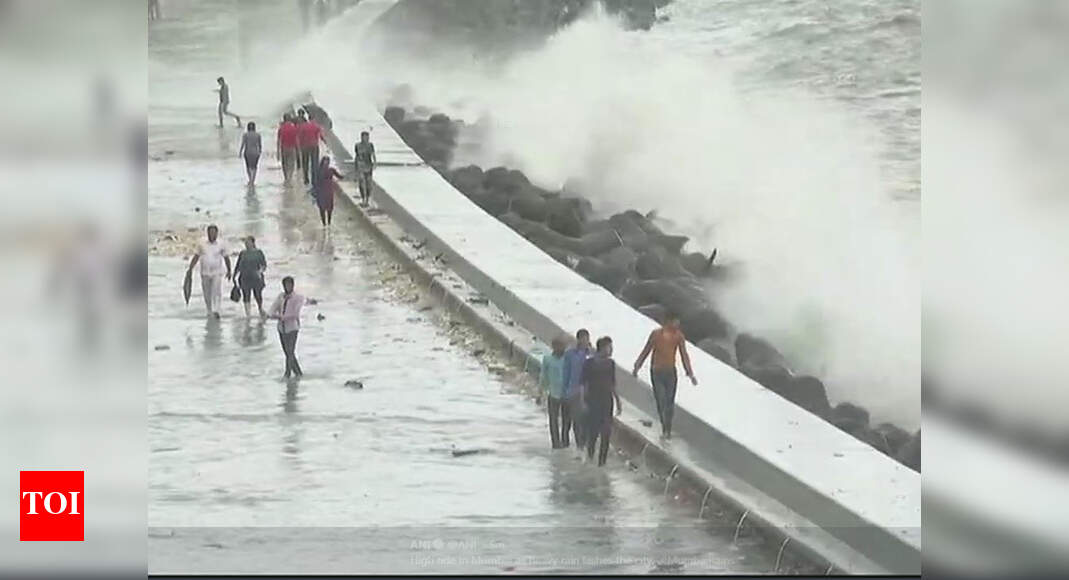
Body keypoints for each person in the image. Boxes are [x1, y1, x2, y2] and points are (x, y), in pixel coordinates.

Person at [632, 311, 698, 440]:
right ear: (668, 321)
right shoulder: (656, 335)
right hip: (656, 371)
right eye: (675, 321)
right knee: (661, 400)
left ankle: (667, 429)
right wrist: (637, 366)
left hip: (670, 372)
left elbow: (684, 355)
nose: (678, 323)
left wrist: (690, 374)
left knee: (669, 402)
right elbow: (647, 350)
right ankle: (664, 426)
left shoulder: (679, 337)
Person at [583, 336, 623, 466]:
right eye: (609, 347)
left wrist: (618, 401)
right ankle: (590, 456)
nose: (611, 350)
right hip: (593, 400)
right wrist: (583, 401)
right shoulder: (589, 363)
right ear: (603, 348)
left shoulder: (610, 364)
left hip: (607, 401)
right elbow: (584, 384)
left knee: (606, 432)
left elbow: (612, 383)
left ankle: (602, 462)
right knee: (593, 431)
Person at [186, 225, 232, 319]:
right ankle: (209, 310)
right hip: (205, 272)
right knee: (206, 292)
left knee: (216, 290)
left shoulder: (221, 244)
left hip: (217, 272)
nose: (212, 234)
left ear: (217, 233)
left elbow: (226, 257)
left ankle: (217, 310)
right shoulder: (201, 243)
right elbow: (196, 256)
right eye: (210, 233)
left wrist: (229, 270)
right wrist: (190, 269)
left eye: (214, 233)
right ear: (207, 233)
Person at [561, 328, 593, 448]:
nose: (585, 341)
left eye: (587, 339)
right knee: (567, 421)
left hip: (585, 392)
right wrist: (563, 391)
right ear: (578, 339)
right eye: (583, 339)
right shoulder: (570, 354)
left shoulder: (590, 355)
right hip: (572, 391)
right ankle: (565, 445)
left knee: (580, 422)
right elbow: (566, 372)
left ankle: (580, 445)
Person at [268, 276, 305, 379]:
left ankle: (287, 374)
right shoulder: (281, 297)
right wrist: (269, 314)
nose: (288, 287)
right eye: (286, 285)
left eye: (289, 285)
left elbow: (295, 313)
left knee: (290, 351)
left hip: (292, 328)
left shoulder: (298, 298)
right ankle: (298, 373)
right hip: (281, 328)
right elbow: (273, 307)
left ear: (293, 285)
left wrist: (282, 317)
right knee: (288, 353)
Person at [539, 335, 569, 449]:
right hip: (553, 393)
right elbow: (544, 376)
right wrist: (540, 391)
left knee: (567, 420)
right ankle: (555, 442)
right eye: (559, 346)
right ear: (553, 347)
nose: (562, 348)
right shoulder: (548, 359)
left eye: (563, 346)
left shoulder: (567, 359)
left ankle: (565, 440)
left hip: (566, 393)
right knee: (553, 419)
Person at [233, 236, 267, 318]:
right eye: (245, 243)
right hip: (244, 277)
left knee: (258, 294)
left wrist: (260, 271)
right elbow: (238, 265)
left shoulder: (259, 253)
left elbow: (264, 265)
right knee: (246, 295)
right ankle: (248, 313)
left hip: (256, 277)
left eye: (248, 242)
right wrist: (234, 276)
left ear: (253, 243)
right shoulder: (242, 253)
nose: (246, 244)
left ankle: (260, 309)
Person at [313, 156, 344, 227]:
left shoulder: (331, 170)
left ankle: (328, 222)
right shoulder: (319, 171)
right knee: (322, 208)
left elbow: (339, 176)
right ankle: (324, 223)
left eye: (327, 162)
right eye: (325, 161)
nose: (326, 163)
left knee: (329, 208)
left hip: (328, 191)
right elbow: (316, 181)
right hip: (322, 191)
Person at [296, 110, 322, 185]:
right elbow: (321, 136)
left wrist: (300, 145)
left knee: (305, 163)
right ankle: (314, 179)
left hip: (305, 146)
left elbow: (300, 137)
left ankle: (306, 178)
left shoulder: (304, 126)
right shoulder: (317, 126)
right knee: (314, 163)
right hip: (314, 146)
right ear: (314, 119)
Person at [354, 130, 377, 205]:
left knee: (368, 184)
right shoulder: (358, 145)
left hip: (368, 166)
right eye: (364, 137)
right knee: (361, 182)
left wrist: (375, 163)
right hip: (360, 165)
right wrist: (356, 166)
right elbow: (357, 156)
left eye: (367, 137)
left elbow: (373, 154)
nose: (366, 139)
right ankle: (363, 198)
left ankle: (367, 198)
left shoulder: (370, 145)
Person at [277, 114, 299, 183]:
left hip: (284, 148)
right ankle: (290, 176)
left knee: (284, 163)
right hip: (292, 147)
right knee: (291, 163)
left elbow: (278, 140)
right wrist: (297, 149)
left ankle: (286, 177)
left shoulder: (281, 128)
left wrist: (278, 151)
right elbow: (296, 140)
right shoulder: (294, 128)